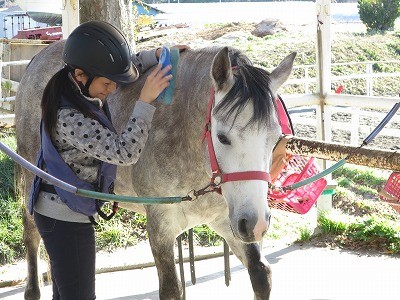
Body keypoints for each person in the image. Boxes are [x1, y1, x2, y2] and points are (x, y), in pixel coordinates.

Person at [28, 20, 186, 300]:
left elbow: (121, 69)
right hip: (64, 219)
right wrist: (145, 101)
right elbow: (124, 152)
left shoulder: (71, 83)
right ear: (81, 75)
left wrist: (157, 55)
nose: (113, 89)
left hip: (62, 210)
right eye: (107, 83)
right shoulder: (68, 117)